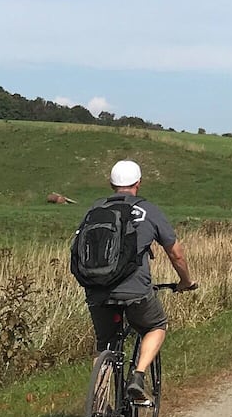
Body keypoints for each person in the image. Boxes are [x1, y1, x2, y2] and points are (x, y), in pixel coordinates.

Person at [76, 160, 195, 403]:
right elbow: (176, 254)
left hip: (96, 290)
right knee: (156, 325)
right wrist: (185, 282)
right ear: (138, 183)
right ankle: (138, 377)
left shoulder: (94, 210)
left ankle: (98, 412)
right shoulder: (148, 211)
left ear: (111, 184)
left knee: (104, 347)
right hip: (135, 291)